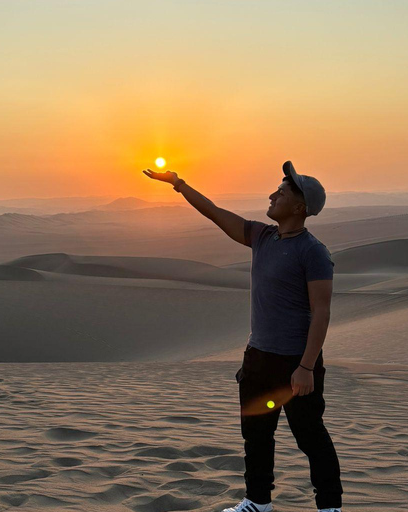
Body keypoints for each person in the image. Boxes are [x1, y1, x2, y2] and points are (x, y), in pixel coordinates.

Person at [142, 161, 343, 512]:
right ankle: (257, 503)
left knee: (311, 439)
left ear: (299, 208)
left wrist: (307, 367)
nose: (272, 195)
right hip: (258, 360)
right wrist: (179, 184)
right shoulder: (262, 236)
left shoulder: (313, 252)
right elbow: (216, 213)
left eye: (281, 193)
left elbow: (321, 312)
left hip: (295, 365)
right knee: (257, 436)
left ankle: (329, 507)